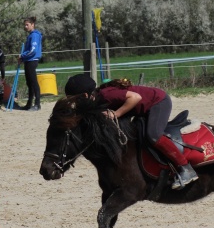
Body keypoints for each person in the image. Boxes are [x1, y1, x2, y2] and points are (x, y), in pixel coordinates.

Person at [64, 74, 198, 190]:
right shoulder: (96, 99)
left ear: (85, 96)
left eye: (73, 100)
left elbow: (135, 98)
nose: (72, 103)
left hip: (158, 102)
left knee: (153, 135)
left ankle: (185, 168)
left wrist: (116, 114)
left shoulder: (106, 95)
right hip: (144, 109)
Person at [18, 16, 43, 111]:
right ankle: (29, 103)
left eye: (27, 25)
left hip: (32, 60)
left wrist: (22, 55)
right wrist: (23, 58)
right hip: (28, 60)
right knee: (29, 83)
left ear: (32, 25)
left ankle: (37, 104)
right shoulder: (30, 35)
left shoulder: (34, 35)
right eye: (24, 25)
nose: (25, 27)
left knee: (34, 82)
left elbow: (32, 50)